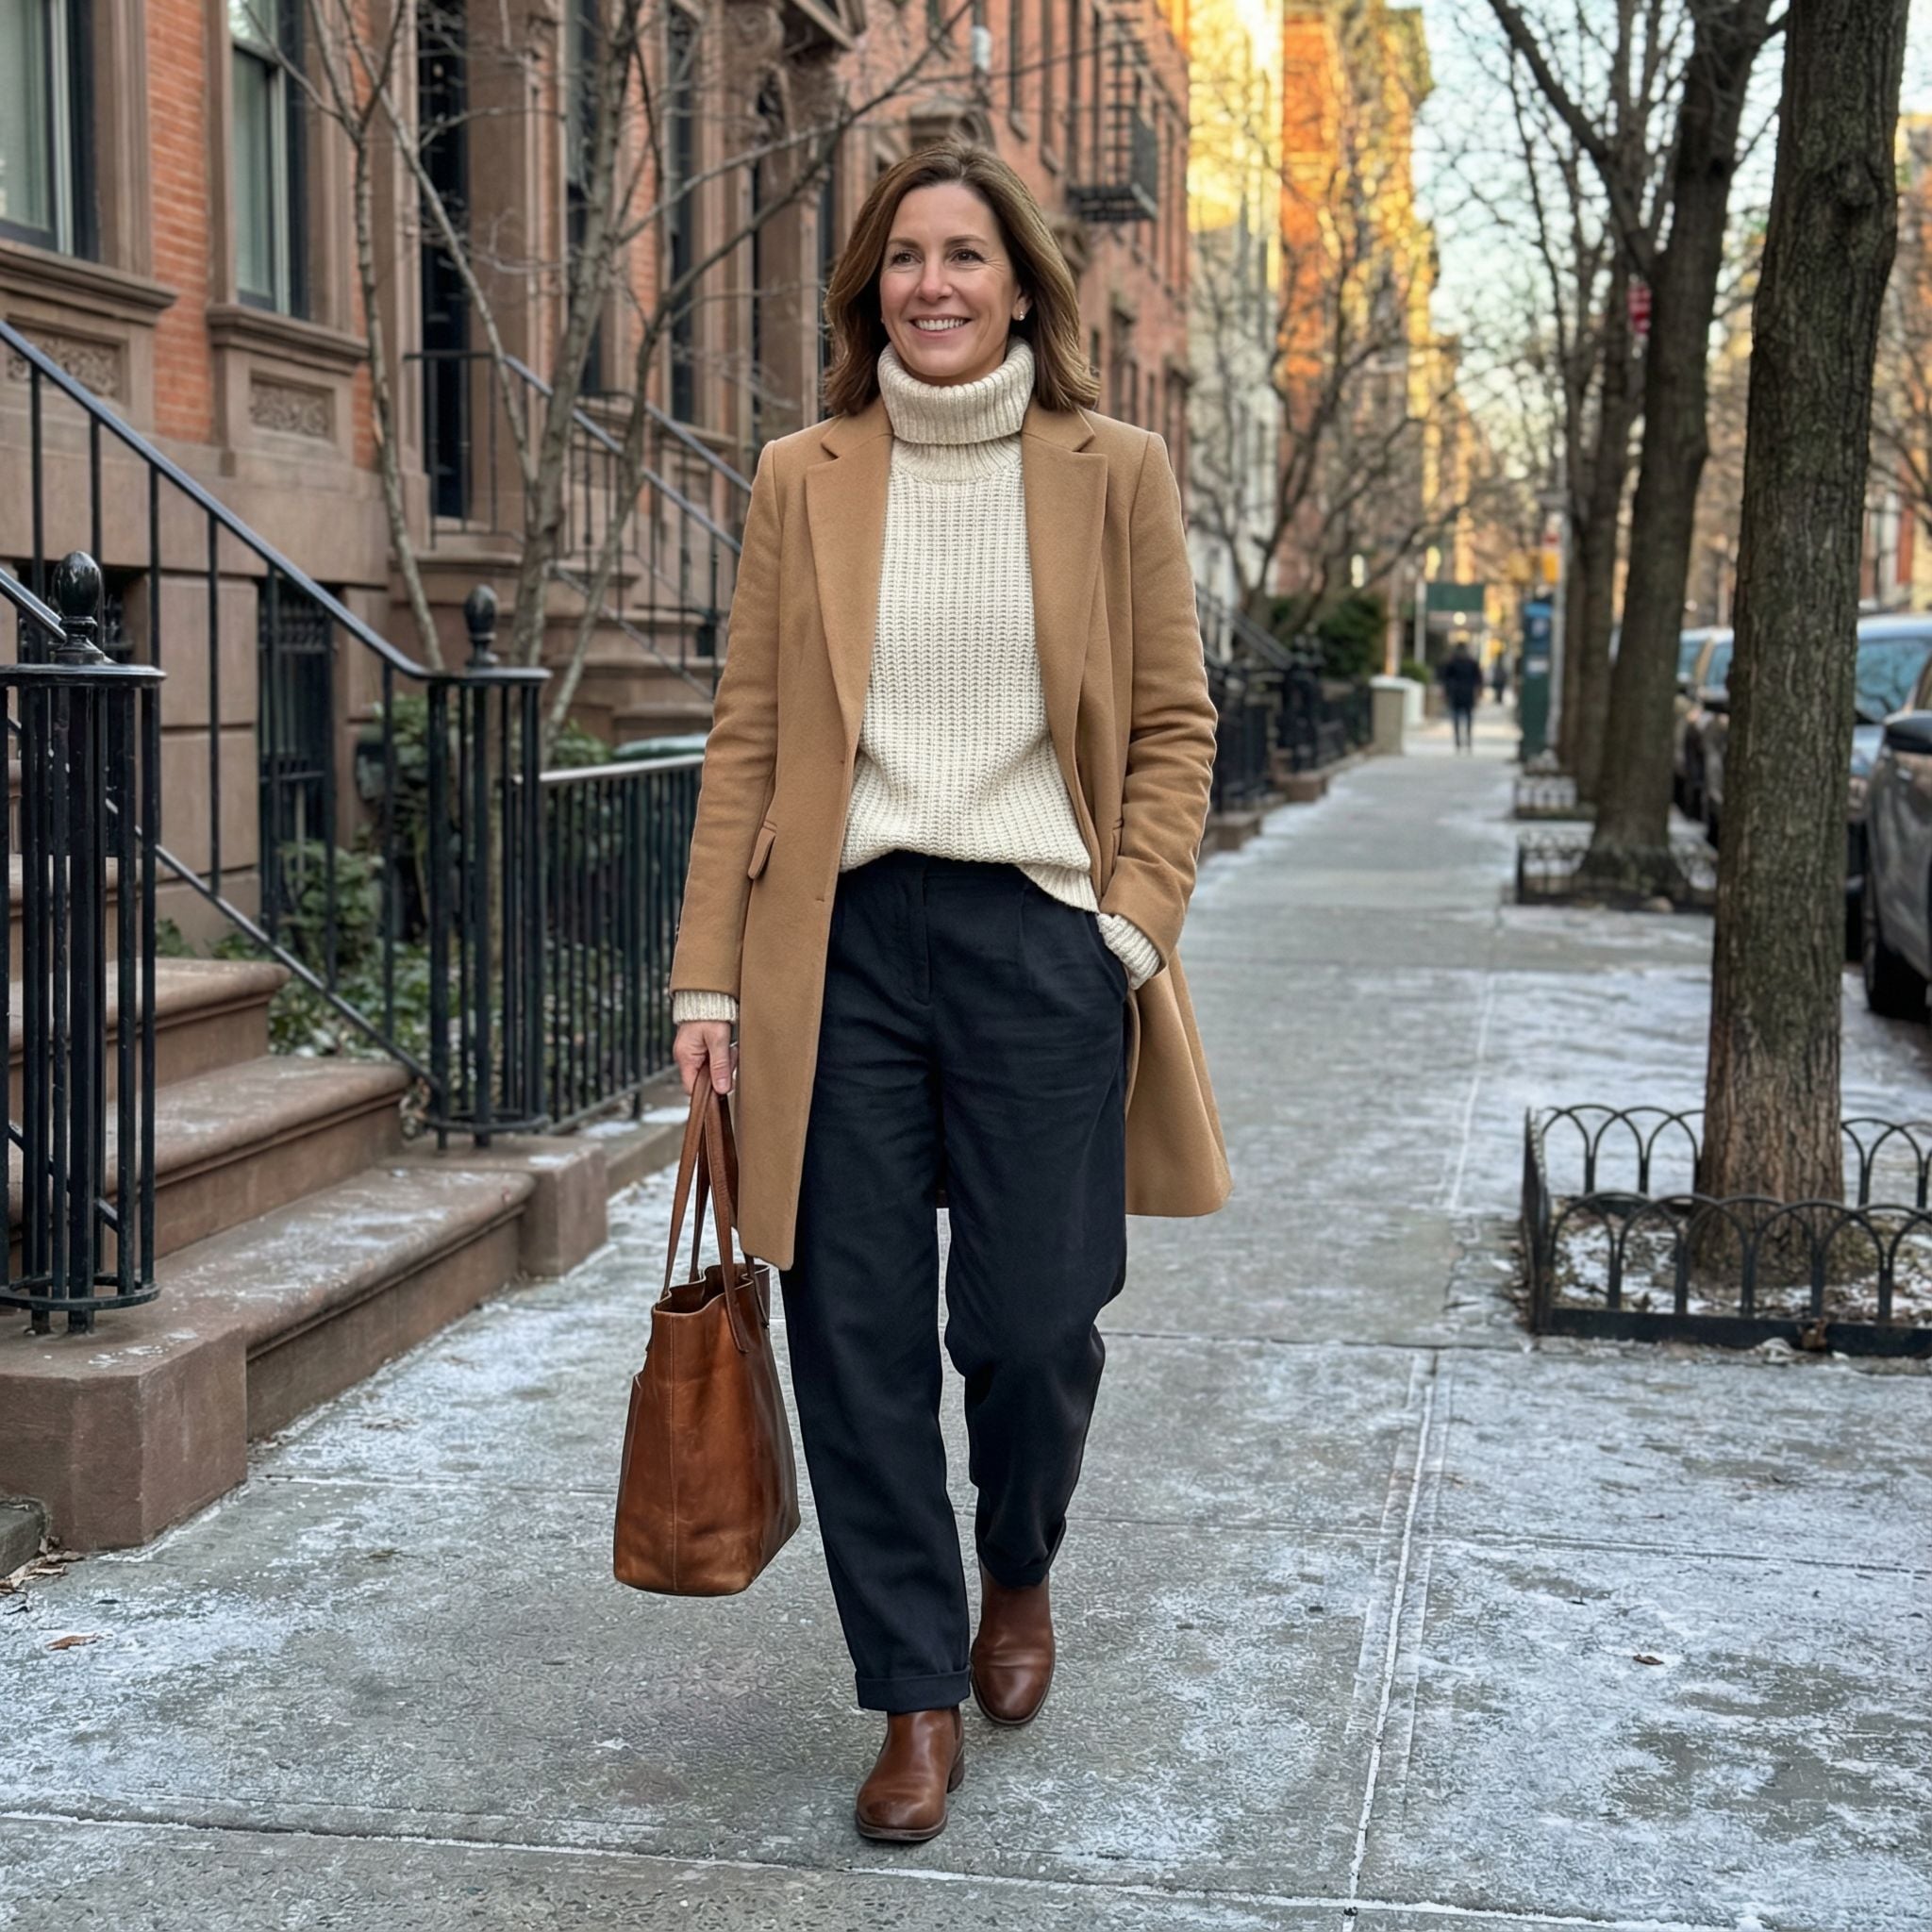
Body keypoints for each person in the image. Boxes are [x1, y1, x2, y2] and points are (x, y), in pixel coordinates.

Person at [666, 141, 1232, 1846]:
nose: (931, 284)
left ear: (1021, 284)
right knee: (851, 1338)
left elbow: (1176, 720)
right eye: (903, 257)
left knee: (1033, 1319)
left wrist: (1121, 929)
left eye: (964, 256)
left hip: (1036, 945)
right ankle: (909, 1685)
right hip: (834, 950)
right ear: (868, 289)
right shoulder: (804, 472)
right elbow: (750, 735)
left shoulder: (1108, 466)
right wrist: (708, 976)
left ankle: (1021, 1562)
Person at [1441, 641, 1483, 751]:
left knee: (1461, 719)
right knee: (1461, 719)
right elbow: (1446, 679)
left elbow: (1478, 680)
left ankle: (1463, 741)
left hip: (1460, 694)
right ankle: (1462, 741)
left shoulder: (1456, 662)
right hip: (1462, 694)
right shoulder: (1459, 662)